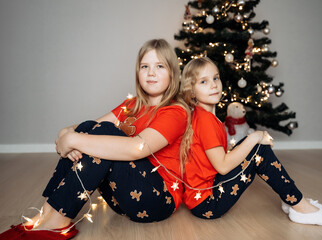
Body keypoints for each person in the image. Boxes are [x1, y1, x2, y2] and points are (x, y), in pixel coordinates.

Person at [0, 39, 190, 240]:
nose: (151, 72)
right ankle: (48, 212)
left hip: (157, 200)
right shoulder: (132, 105)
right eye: (145, 66)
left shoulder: (175, 112)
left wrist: (72, 140)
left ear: (172, 72)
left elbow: (138, 148)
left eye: (159, 66)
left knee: (104, 131)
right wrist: (66, 132)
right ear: (137, 72)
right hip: (123, 198)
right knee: (88, 127)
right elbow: (89, 127)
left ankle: (57, 220)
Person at [178, 57, 322, 227]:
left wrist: (250, 141)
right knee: (258, 149)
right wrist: (255, 137)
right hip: (207, 202)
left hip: (206, 194)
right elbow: (222, 166)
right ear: (191, 92)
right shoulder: (205, 121)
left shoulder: (207, 117)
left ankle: (291, 199)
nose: (213, 84)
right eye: (204, 82)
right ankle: (299, 205)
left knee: (249, 145)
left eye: (216, 78)